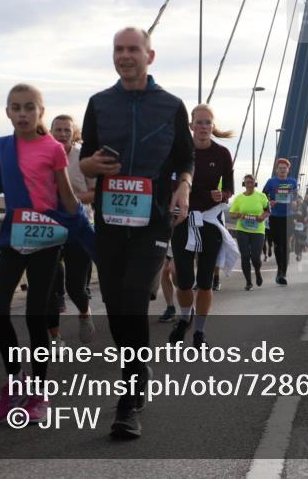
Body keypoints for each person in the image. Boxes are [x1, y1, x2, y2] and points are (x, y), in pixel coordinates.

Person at [79, 26, 194, 437]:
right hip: (110, 220)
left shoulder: (171, 105)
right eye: (118, 49)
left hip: (154, 219)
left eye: (133, 49)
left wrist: (182, 186)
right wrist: (89, 167)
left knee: (131, 295)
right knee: (113, 302)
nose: (125, 56)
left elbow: (186, 158)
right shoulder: (99, 104)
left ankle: (129, 399)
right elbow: (85, 159)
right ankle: (137, 362)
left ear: (150, 55)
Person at [0, 84, 88, 425]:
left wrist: (86, 233)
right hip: (13, 237)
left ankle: (39, 391)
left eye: (29, 107)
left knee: (36, 316)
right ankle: (13, 382)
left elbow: (67, 198)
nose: (22, 113)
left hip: (47, 238)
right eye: (15, 108)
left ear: (40, 112)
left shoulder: (53, 149)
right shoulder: (1, 146)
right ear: (7, 112)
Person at [169, 104, 235, 349]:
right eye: (199, 122)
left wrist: (223, 194)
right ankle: (185, 316)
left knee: (205, 280)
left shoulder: (222, 154)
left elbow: (229, 188)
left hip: (208, 219)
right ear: (191, 125)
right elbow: (167, 183)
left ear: (213, 126)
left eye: (208, 122)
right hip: (183, 219)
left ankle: (199, 332)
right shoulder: (178, 153)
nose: (204, 127)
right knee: (183, 279)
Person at [46, 114, 96, 345]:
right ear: (51, 132)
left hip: (79, 225)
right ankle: (55, 336)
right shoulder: (43, 156)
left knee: (75, 287)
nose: (63, 134)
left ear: (73, 133)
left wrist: (71, 198)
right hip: (48, 226)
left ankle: (84, 311)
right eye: (58, 129)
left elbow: (95, 192)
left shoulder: (82, 158)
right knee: (48, 285)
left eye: (67, 130)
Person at [229, 174, 270, 290]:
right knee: (245, 256)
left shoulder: (262, 196)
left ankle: (257, 271)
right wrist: (239, 215)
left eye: (252, 182)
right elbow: (232, 214)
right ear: (244, 184)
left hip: (258, 230)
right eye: (247, 182)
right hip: (242, 230)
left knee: (256, 257)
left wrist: (262, 217)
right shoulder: (239, 198)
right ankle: (248, 282)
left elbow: (267, 211)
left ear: (255, 183)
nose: (250, 184)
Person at [262, 158, 298, 285]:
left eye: (285, 168)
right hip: (275, 216)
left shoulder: (293, 181)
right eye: (280, 168)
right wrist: (268, 202)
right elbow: (263, 196)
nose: (283, 170)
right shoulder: (271, 182)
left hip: (288, 216)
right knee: (278, 245)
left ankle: (282, 273)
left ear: (288, 170)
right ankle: (280, 270)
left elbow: (295, 197)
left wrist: (294, 202)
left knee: (286, 245)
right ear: (277, 170)